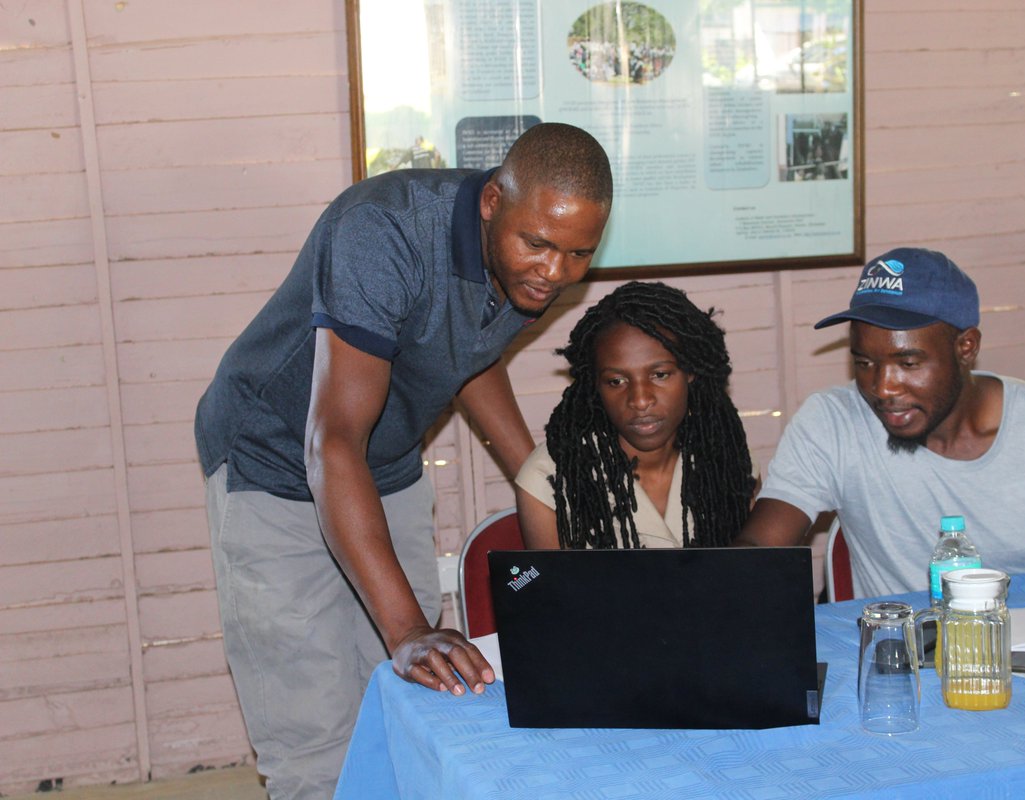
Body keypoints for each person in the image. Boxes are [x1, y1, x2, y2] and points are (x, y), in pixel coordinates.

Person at [194, 122, 611, 800]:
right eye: (539, 245)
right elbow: (330, 442)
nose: (556, 272)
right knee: (316, 744)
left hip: (384, 466)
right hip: (271, 460)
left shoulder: (531, 257)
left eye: (578, 254)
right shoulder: (380, 232)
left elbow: (469, 354)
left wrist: (542, 490)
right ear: (491, 203)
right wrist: (409, 630)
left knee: (413, 709)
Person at [736, 247, 1025, 597]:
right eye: (864, 363)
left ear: (966, 347)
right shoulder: (833, 423)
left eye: (908, 363)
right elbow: (760, 550)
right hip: (909, 660)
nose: (882, 388)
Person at [516, 281, 757, 550]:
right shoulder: (549, 477)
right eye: (616, 381)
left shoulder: (727, 458)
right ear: (595, 386)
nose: (640, 400)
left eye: (660, 375)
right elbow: (544, 589)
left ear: (691, 372)